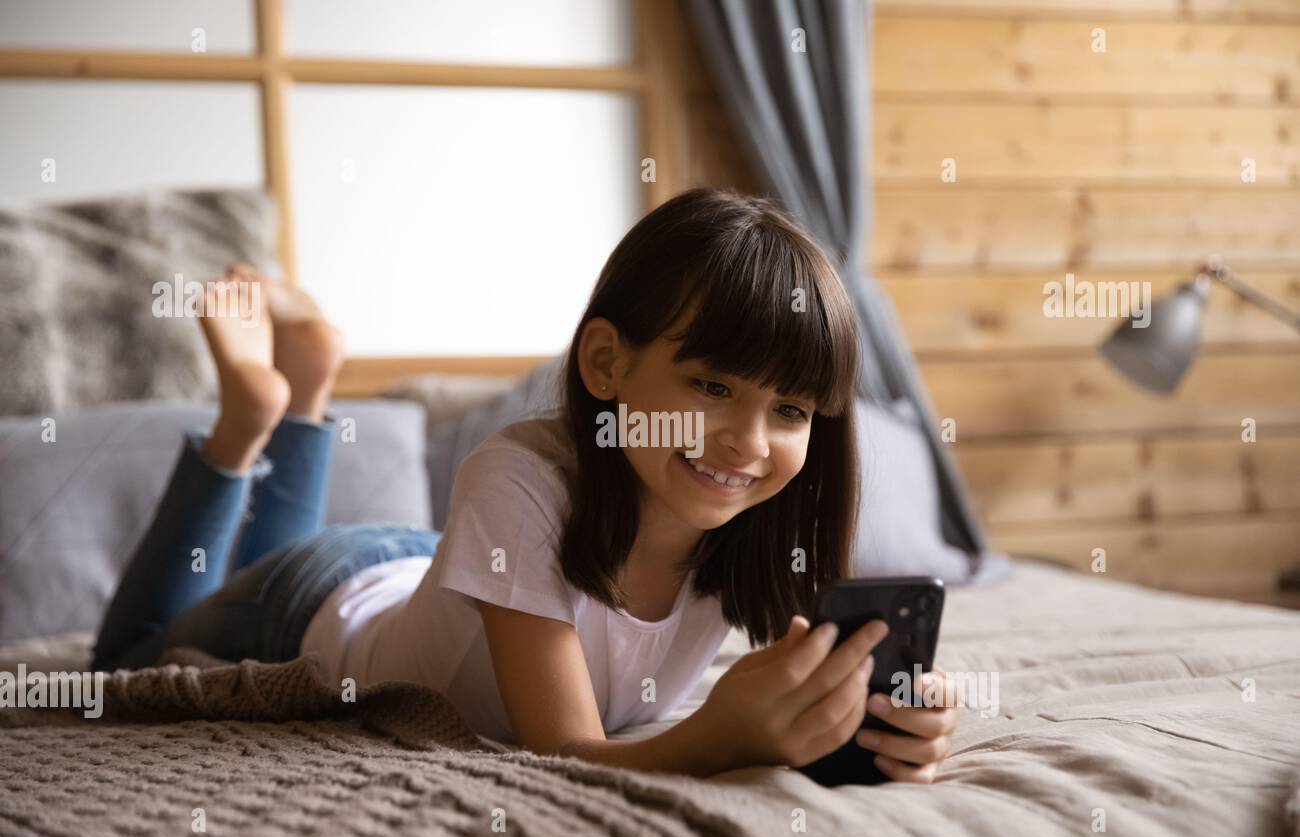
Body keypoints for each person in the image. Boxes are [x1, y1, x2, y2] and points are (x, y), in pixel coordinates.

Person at [92, 188, 958, 781]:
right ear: (607, 363)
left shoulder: (750, 518)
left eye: (792, 411)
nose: (748, 443)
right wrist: (717, 737)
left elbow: (807, 682)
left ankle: (306, 395)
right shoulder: (515, 476)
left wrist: (890, 718)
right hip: (322, 599)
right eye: (712, 387)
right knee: (130, 661)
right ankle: (249, 424)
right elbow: (565, 751)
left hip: (443, 571)